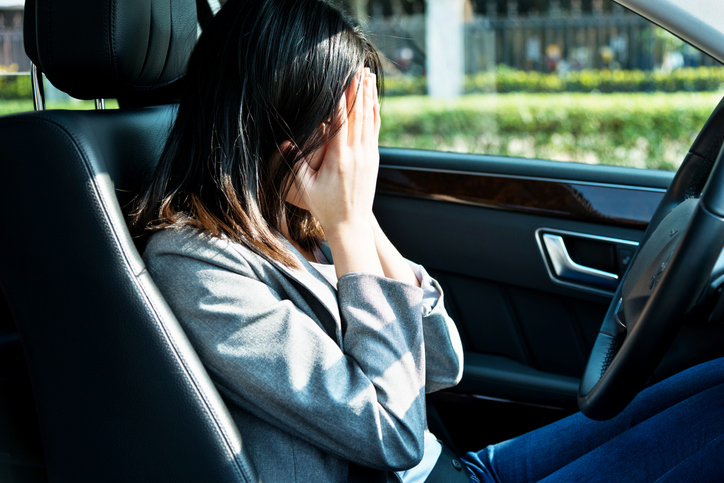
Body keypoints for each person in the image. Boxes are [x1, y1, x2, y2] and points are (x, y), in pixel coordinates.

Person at [133, 0, 724, 481]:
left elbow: (442, 364)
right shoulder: (196, 264)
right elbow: (390, 432)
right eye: (337, 128)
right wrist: (346, 226)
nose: (351, 154)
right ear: (267, 124)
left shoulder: (295, 219)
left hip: (456, 469)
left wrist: (357, 222)